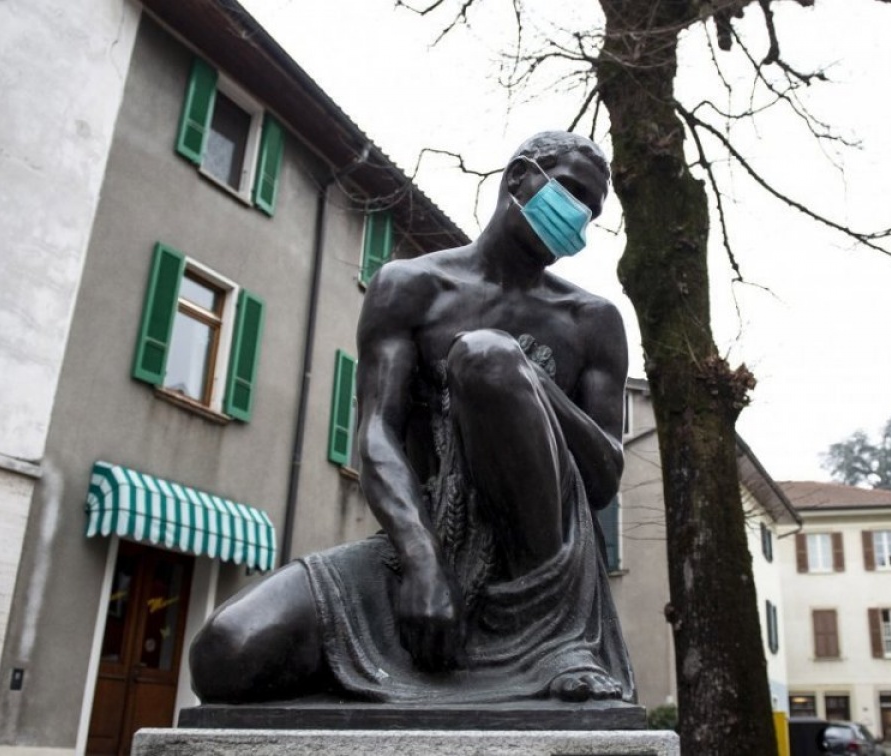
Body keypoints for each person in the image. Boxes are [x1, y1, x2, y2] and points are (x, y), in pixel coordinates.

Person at [189, 131, 634, 705]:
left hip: (543, 569)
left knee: (487, 356)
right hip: (426, 538)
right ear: (519, 177)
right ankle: (402, 682)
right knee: (225, 652)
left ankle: (551, 645)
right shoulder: (411, 287)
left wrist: (533, 383)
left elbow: (603, 479)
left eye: (591, 212)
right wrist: (422, 562)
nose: (577, 218)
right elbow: (377, 433)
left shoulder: (591, 321)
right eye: (570, 193)